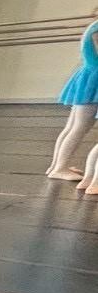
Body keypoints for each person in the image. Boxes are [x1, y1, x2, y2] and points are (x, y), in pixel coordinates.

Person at [49, 11, 98, 188]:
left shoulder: (93, 26)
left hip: (87, 77)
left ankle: (57, 165)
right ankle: (59, 168)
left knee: (71, 127)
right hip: (93, 81)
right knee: (79, 128)